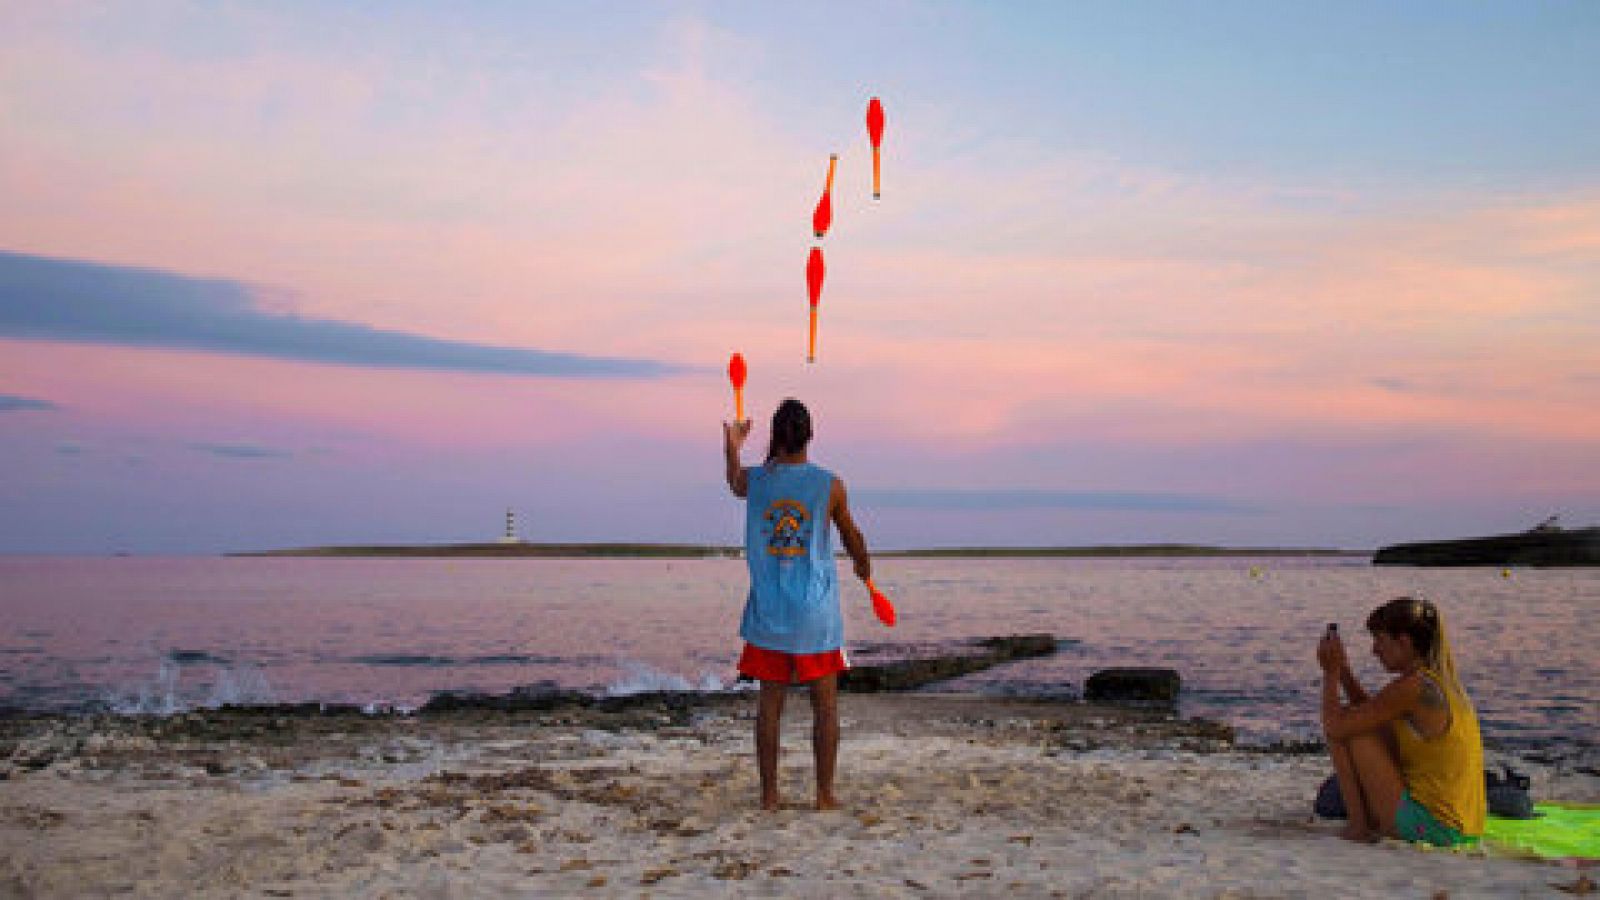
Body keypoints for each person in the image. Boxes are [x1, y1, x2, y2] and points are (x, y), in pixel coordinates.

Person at [724, 398, 872, 811]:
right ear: (810, 435)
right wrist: (863, 565)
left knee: (769, 707)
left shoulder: (758, 481)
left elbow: (734, 479)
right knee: (825, 706)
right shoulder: (830, 484)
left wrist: (732, 444)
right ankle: (824, 795)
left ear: (775, 436)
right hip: (815, 614)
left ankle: (770, 797)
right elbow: (850, 534)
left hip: (770, 613)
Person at [1317, 596, 1486, 846]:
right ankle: (1362, 825)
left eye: (1380, 641)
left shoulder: (1413, 688)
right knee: (1358, 723)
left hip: (1434, 830)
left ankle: (1359, 828)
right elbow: (1373, 712)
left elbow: (1334, 725)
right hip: (1465, 827)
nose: (1374, 650)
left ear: (1404, 642)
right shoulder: (1438, 682)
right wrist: (1343, 672)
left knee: (1347, 730)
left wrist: (1330, 673)